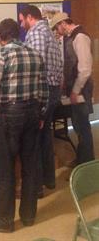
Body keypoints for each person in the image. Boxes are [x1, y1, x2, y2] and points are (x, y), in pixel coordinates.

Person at [0, 18, 49, 232]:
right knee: (29, 166)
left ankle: (3, 221)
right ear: (18, 34)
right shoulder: (35, 55)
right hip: (33, 112)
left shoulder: (2, 54)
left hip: (10, 115)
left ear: (0, 36)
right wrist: (41, 114)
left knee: (5, 168)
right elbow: (44, 89)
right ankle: (28, 216)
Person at [19, 5, 63, 193]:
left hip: (41, 92)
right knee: (44, 136)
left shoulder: (36, 34)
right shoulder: (49, 33)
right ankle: (48, 180)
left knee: (33, 139)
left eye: (22, 20)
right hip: (51, 91)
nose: (21, 25)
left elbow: (35, 66)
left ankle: (35, 187)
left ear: (30, 17)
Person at [50, 12, 94, 165]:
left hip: (81, 91)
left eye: (57, 28)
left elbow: (85, 69)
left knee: (83, 128)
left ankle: (86, 164)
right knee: (79, 126)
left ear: (63, 23)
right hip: (76, 90)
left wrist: (75, 90)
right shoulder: (72, 37)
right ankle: (82, 160)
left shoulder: (80, 38)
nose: (57, 31)